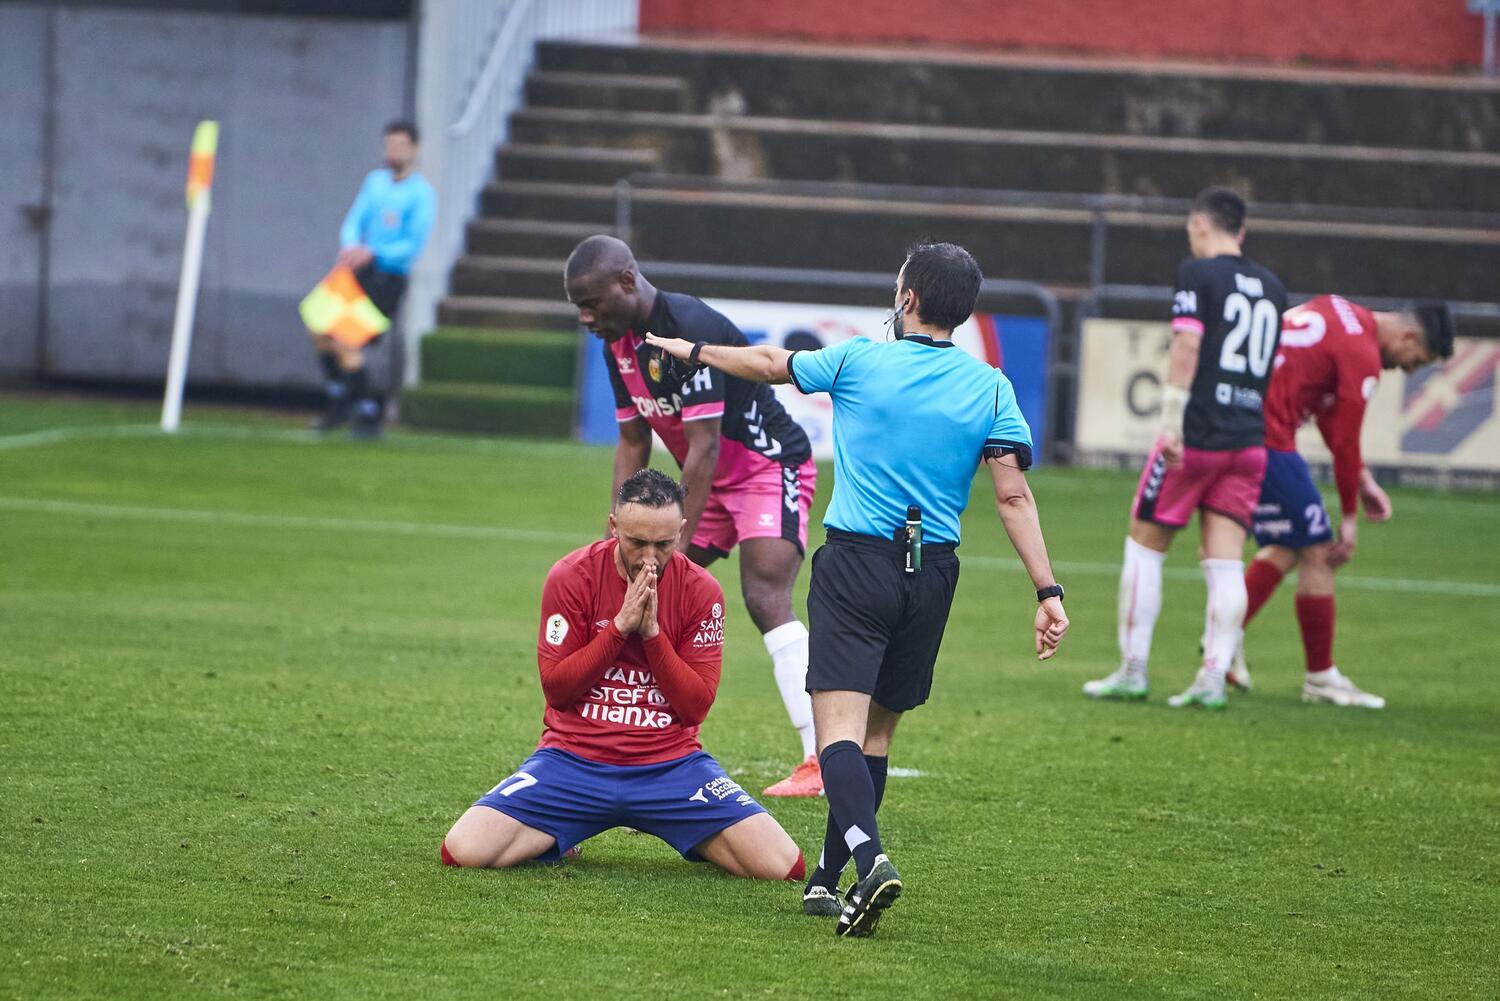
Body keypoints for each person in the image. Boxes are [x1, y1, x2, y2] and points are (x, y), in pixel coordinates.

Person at [647, 242, 1069, 938]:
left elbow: (769, 363)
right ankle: (826, 876)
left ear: (908, 299)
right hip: (932, 573)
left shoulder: (859, 360)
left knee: (836, 731)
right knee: (875, 735)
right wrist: (1047, 591)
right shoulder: (992, 386)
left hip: (856, 564)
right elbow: (1014, 497)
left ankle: (870, 861)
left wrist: (693, 350)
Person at [441, 469, 804, 880]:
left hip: (670, 768)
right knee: (463, 850)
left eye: (663, 544)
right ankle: (564, 831)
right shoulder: (571, 576)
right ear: (614, 527)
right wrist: (618, 629)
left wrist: (652, 636)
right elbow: (558, 691)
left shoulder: (701, 591)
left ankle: (679, 824)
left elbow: (695, 707)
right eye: (636, 542)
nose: (650, 558)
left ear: (681, 531)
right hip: (573, 762)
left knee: (784, 866)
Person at [564, 236, 823, 798]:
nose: (585, 317)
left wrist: (672, 547)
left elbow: (704, 447)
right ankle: (618, 745)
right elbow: (633, 442)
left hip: (765, 465)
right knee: (634, 590)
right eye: (578, 306)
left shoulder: (687, 327)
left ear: (626, 281)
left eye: (591, 303)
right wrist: (616, 536)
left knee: (764, 595)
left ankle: (820, 758)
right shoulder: (618, 344)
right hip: (705, 481)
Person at [1083, 186, 1288, 710]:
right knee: (1226, 563)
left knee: (1144, 545)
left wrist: (1171, 423)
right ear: (1242, 231)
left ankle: (1133, 670)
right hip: (1248, 441)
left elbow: (1188, 342)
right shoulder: (1273, 287)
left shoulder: (1197, 274)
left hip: (1195, 437)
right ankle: (1213, 677)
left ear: (1199, 225)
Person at [1232, 295, 1453, 708]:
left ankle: (1224, 639)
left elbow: (1328, 415)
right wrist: (1349, 517)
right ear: (1408, 336)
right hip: (1265, 436)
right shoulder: (1362, 353)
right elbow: (1347, 438)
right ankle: (1319, 678)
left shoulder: (1335, 308)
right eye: (1416, 361)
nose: (1408, 369)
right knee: (1320, 549)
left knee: (1292, 543)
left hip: (1240, 420)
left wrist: (1362, 478)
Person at [312, 120, 436, 439]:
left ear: (415, 149)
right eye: (390, 145)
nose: (394, 152)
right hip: (359, 271)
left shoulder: (421, 194)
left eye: (400, 146)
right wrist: (351, 246)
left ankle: (367, 413)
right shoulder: (375, 182)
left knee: (346, 339)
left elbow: (412, 245)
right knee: (319, 326)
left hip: (388, 276)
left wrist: (375, 253)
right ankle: (340, 400)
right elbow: (354, 221)